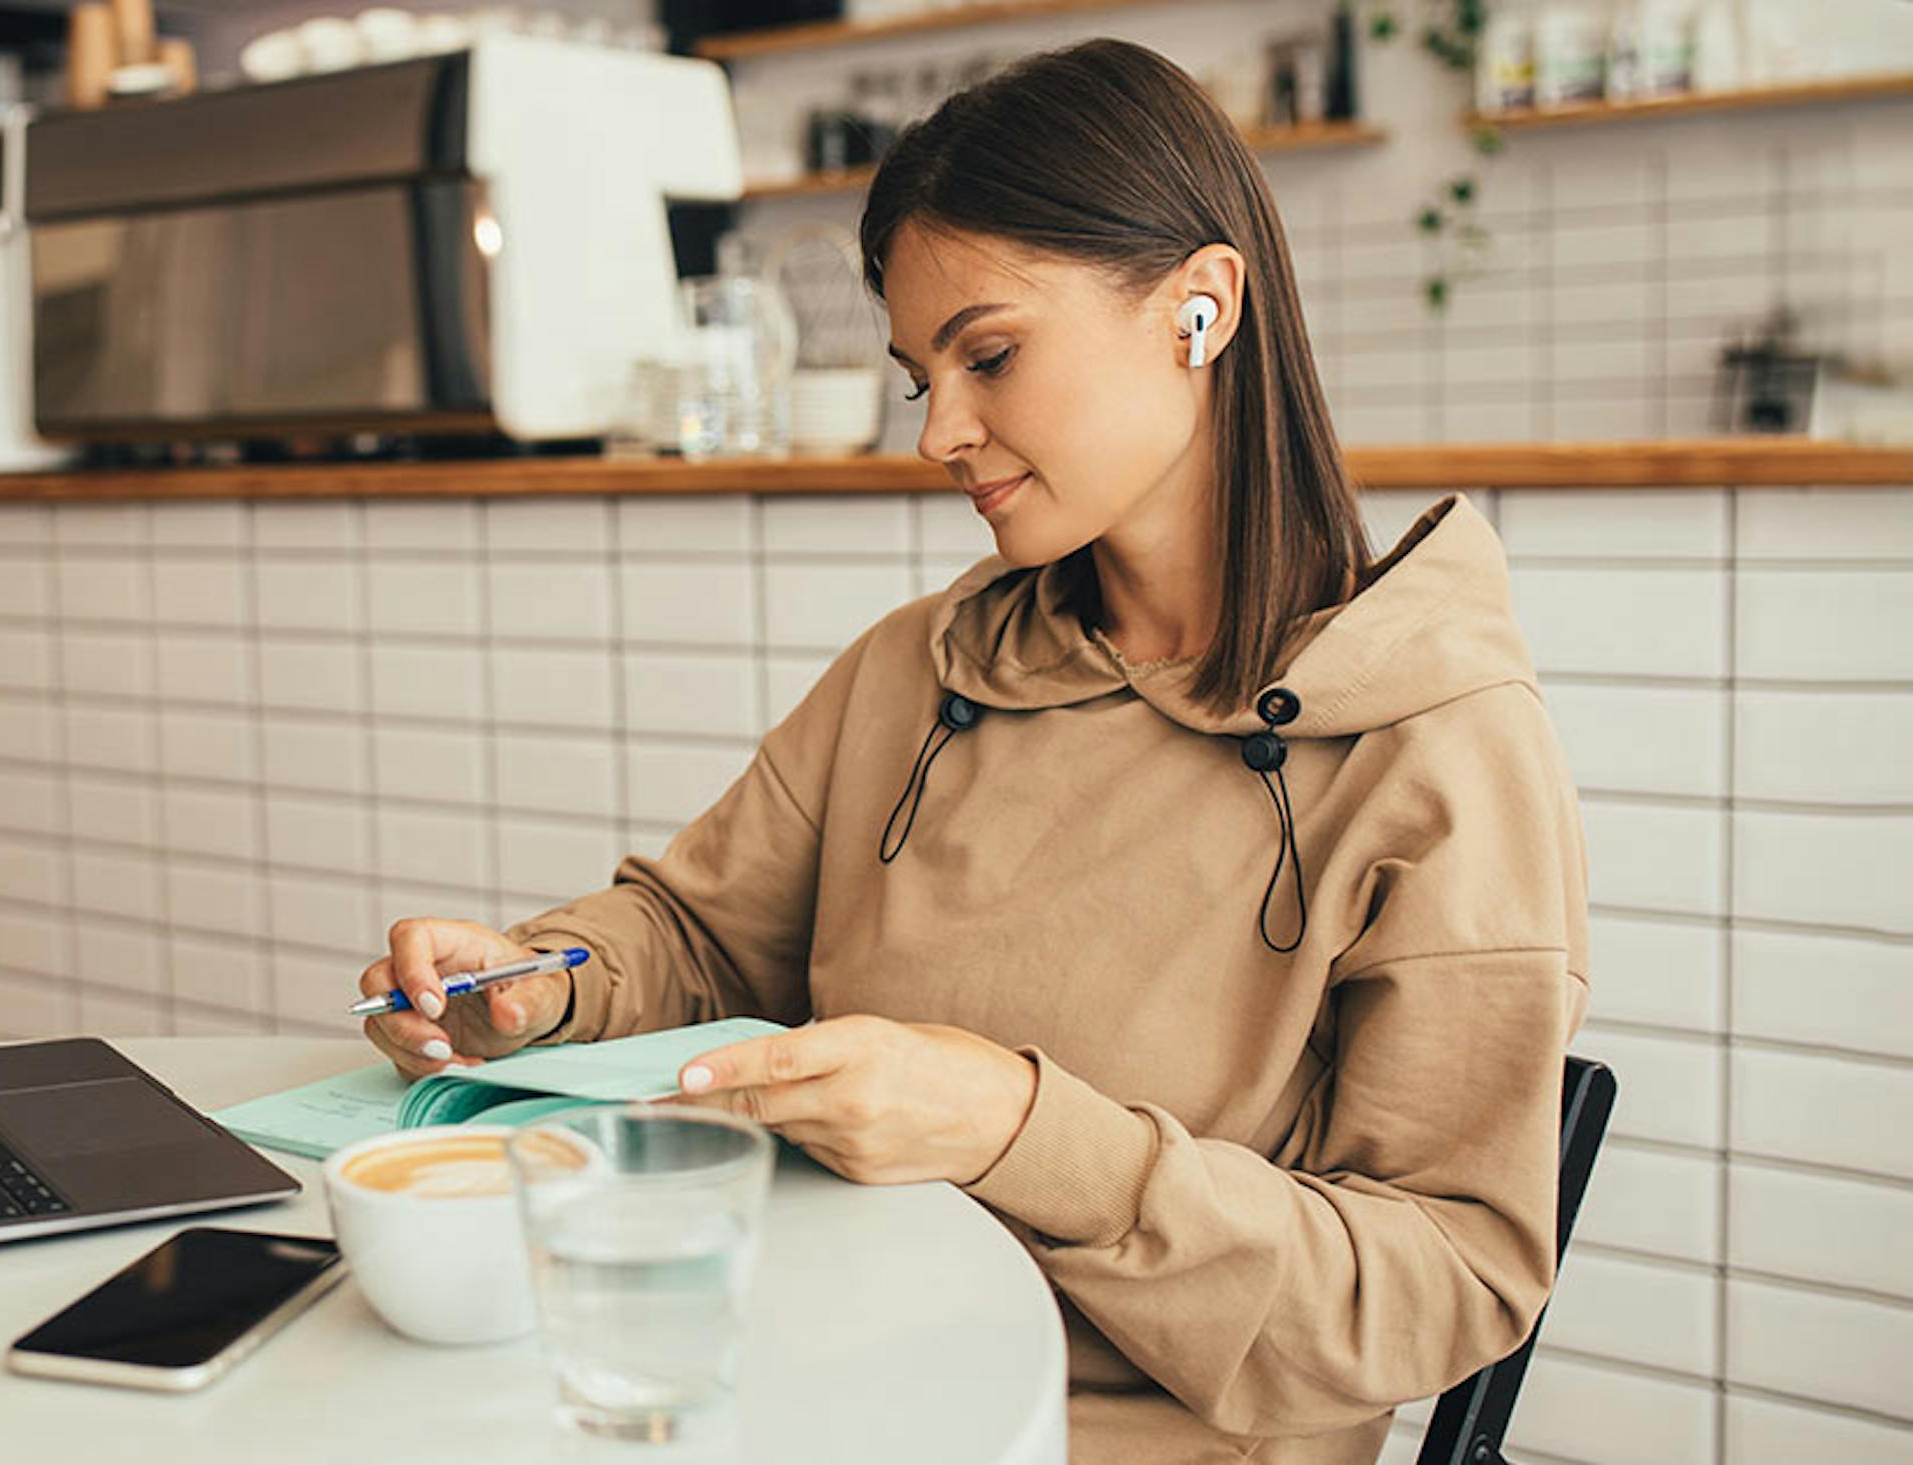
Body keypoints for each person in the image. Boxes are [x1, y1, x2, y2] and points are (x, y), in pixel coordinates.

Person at [353, 38, 1588, 1465]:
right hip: (812, 1362)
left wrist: (1017, 1126)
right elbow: (698, 932)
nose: (939, 430)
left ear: (1201, 309)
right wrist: (538, 982)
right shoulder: (917, 668)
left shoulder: (1442, 749)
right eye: (918, 374)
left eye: (989, 354)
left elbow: (1442, 1282)